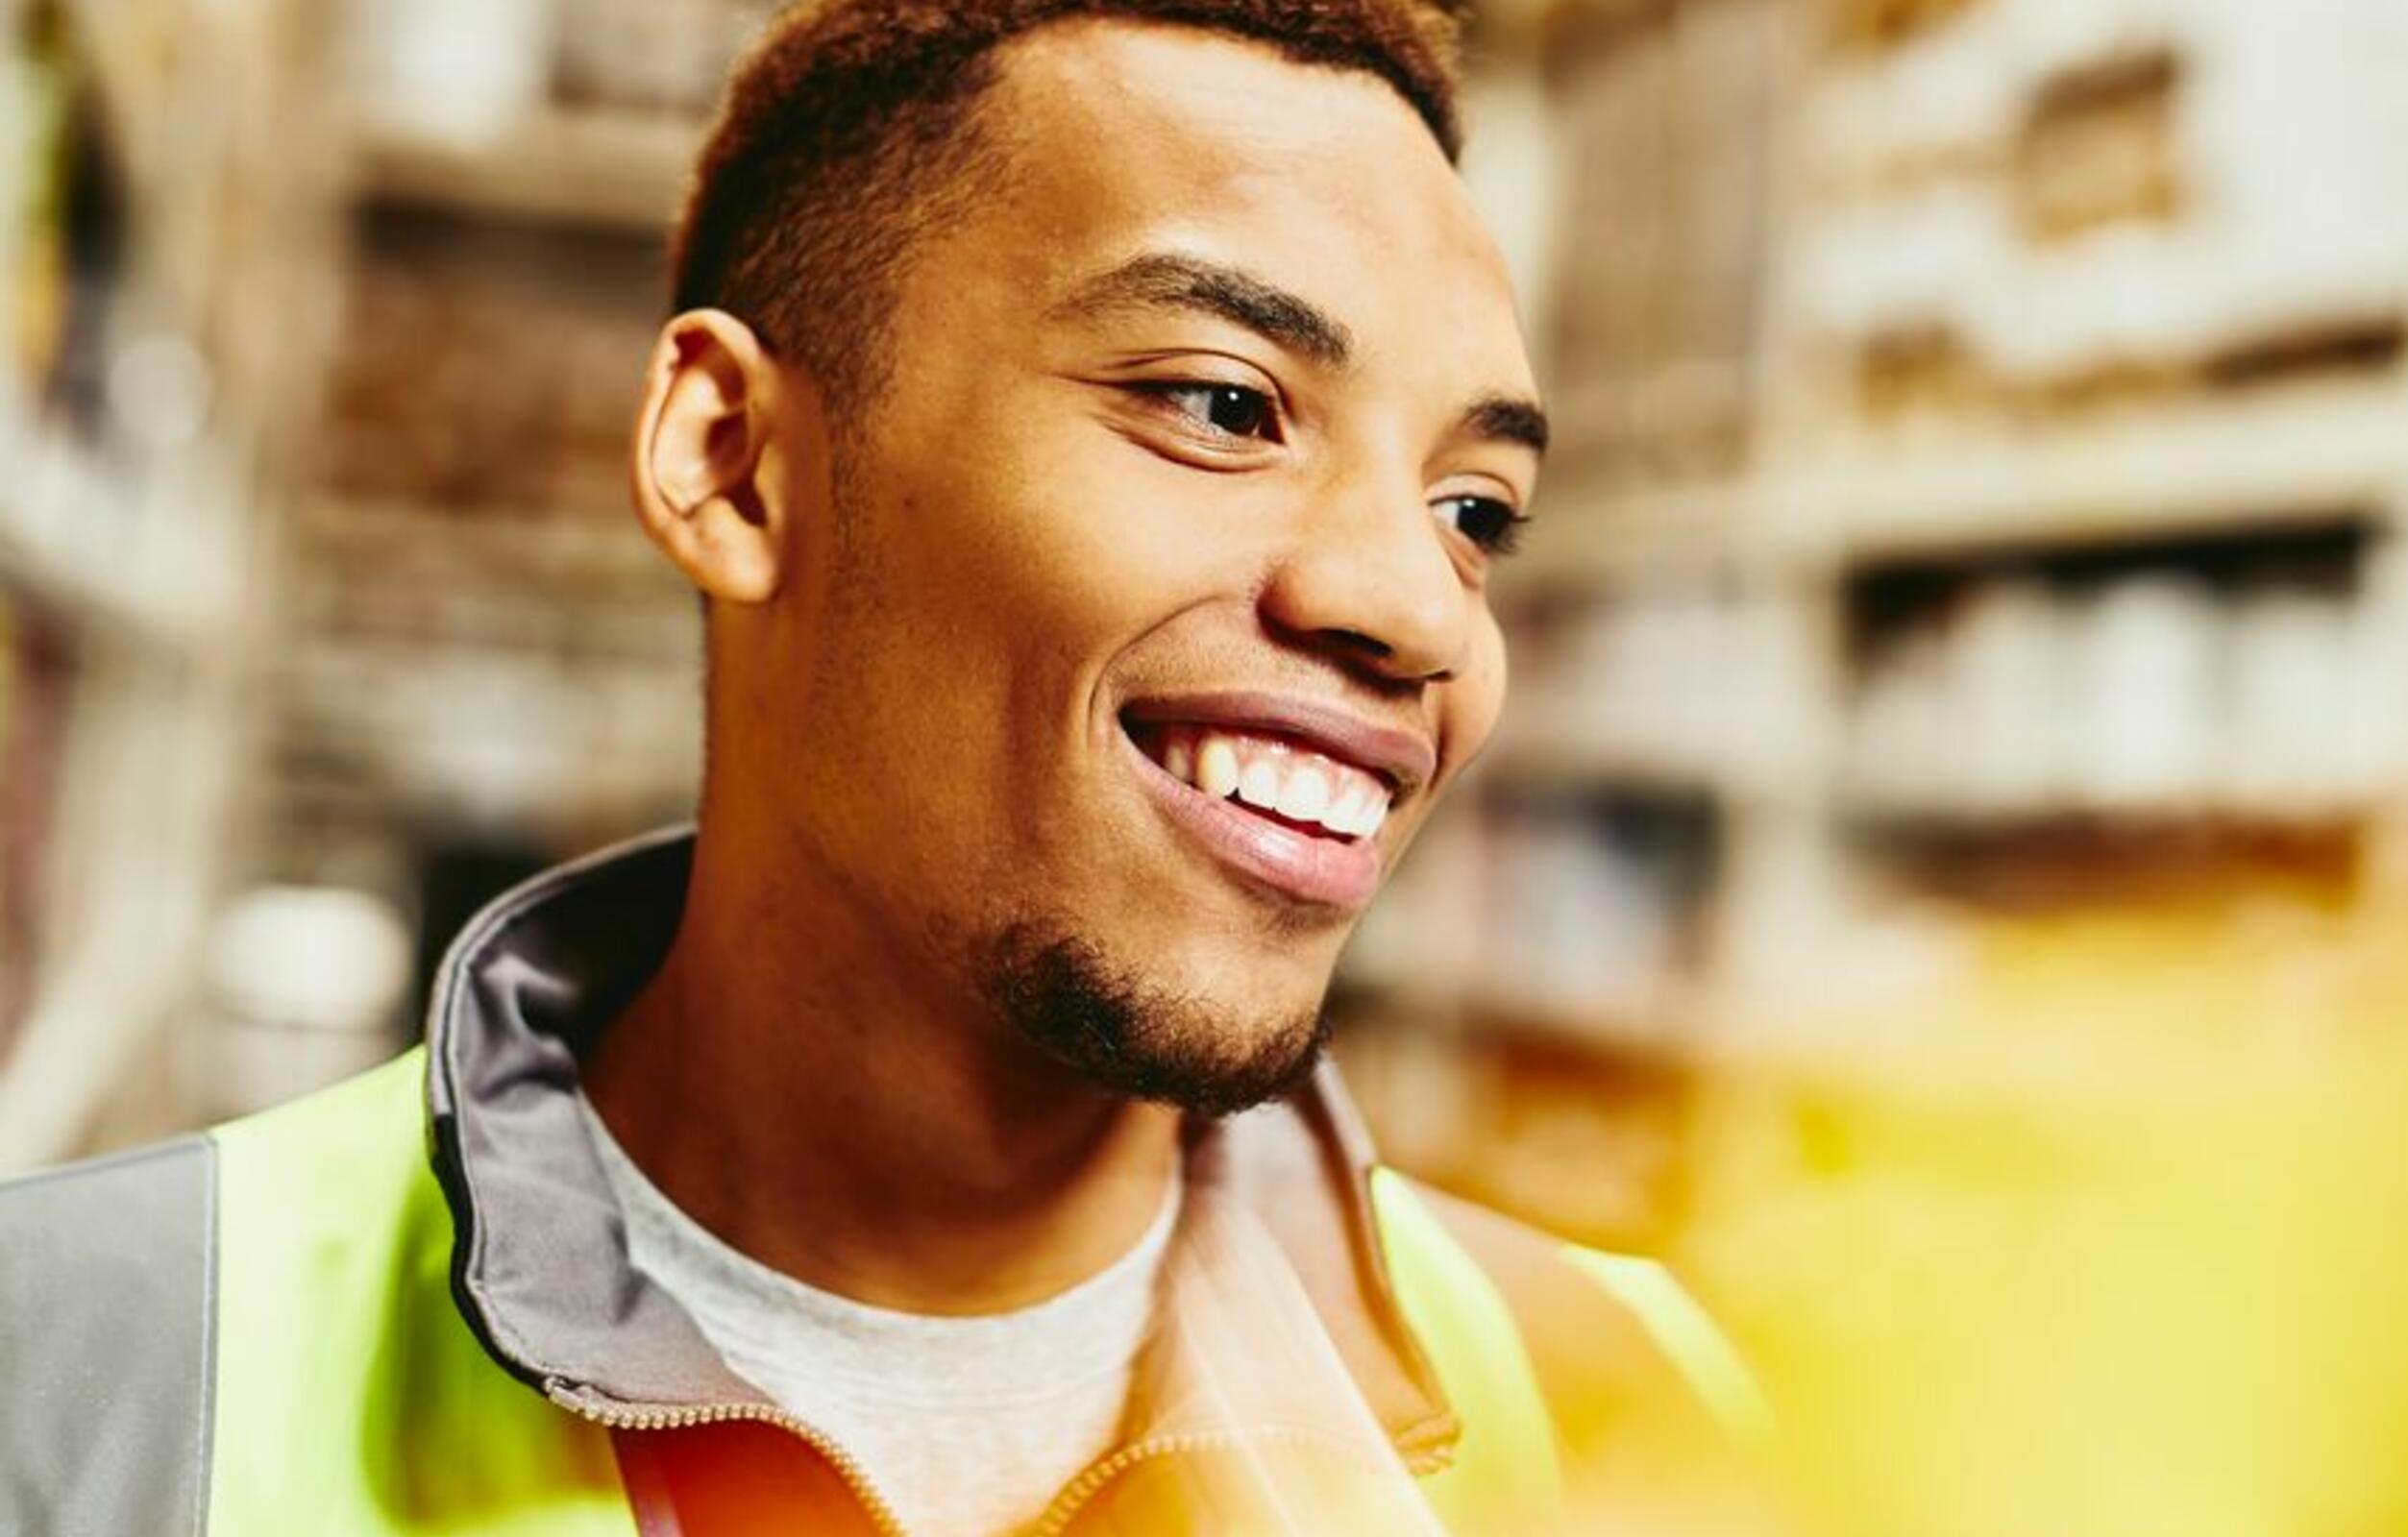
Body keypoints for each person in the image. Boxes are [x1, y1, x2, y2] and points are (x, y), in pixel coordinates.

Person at [0, 3, 1763, 1534]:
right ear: (737, 465)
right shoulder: (80, 1379)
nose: (1415, 616)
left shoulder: (1641, 1411)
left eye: (1478, 516)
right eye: (1222, 404)